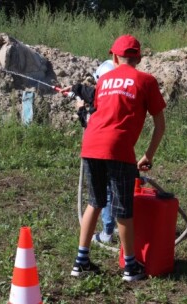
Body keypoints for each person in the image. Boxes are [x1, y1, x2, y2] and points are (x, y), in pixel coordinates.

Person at [69, 34, 166, 282]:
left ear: (113, 57)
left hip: (91, 144)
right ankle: (130, 267)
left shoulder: (104, 81)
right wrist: (148, 155)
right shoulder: (147, 81)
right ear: (139, 58)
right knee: (123, 208)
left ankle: (80, 262)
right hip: (118, 149)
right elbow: (159, 125)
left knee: (95, 201)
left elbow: (99, 111)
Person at [66, 60, 118, 245]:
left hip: (101, 151)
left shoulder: (103, 97)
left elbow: (91, 123)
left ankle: (107, 232)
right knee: (116, 189)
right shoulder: (116, 97)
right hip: (117, 148)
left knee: (105, 192)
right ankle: (117, 224)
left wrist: (80, 109)